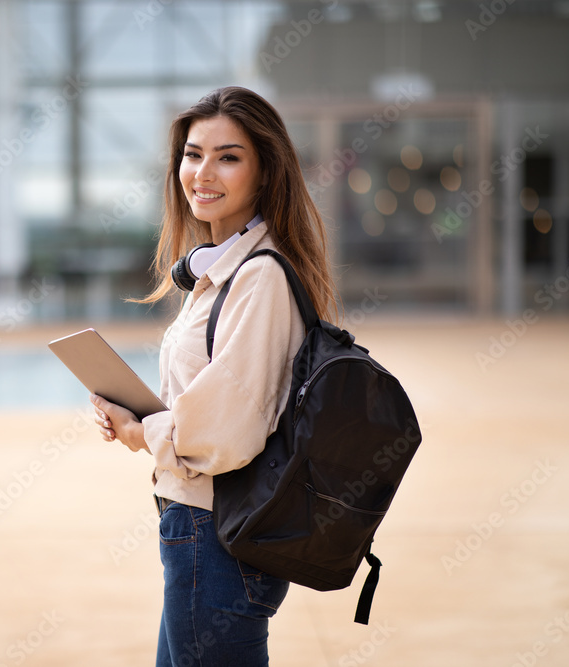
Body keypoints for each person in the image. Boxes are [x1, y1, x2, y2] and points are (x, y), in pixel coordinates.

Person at [91, 86, 339, 666]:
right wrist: (136, 412)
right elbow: (209, 400)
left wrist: (139, 432)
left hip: (216, 537)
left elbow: (224, 434)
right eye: (192, 154)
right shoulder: (221, 272)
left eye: (228, 156)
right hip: (196, 530)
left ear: (265, 172)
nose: (202, 172)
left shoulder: (259, 279)